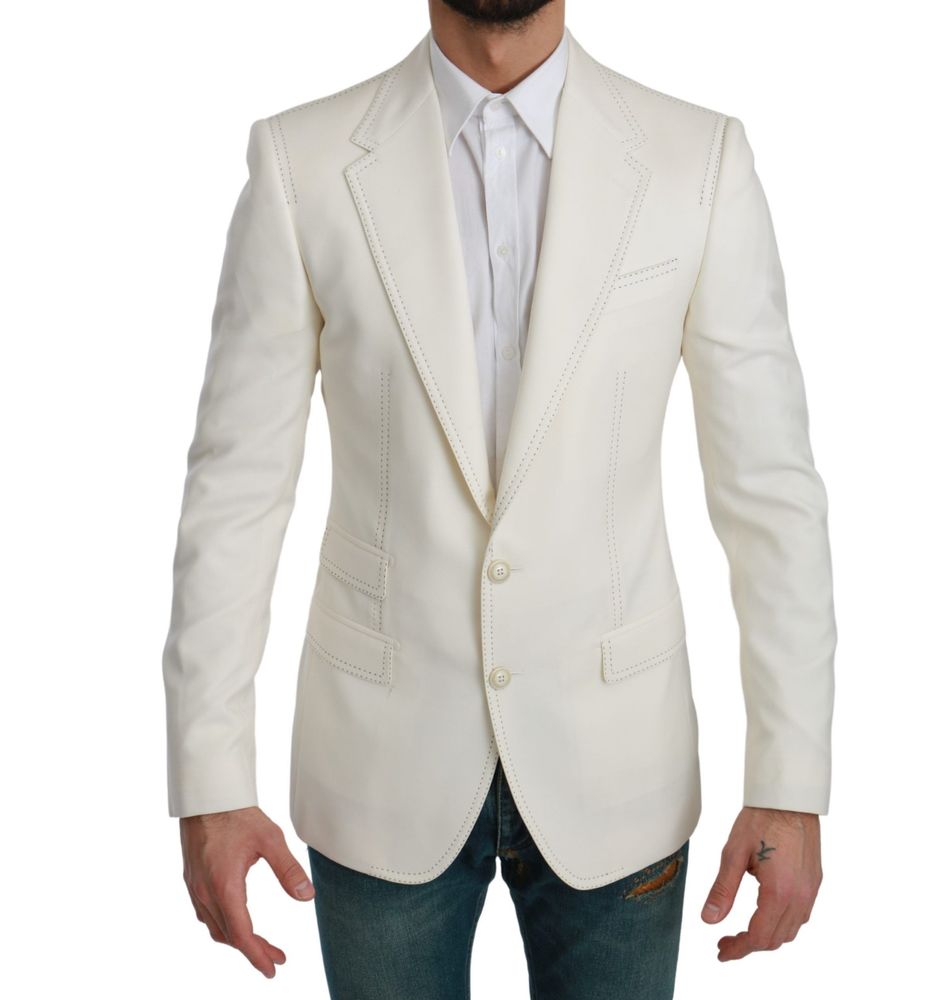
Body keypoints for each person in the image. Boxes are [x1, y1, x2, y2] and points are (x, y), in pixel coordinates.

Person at [162, 1, 836, 996]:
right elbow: (236, 486)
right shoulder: (302, 164)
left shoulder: (698, 160)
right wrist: (210, 780)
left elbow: (768, 489)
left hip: (619, 767)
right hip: (378, 767)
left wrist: (789, 780)